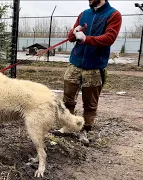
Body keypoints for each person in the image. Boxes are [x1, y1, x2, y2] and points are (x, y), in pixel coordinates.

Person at [52, 0, 122, 145]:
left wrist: (86, 39)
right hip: (75, 63)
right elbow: (71, 37)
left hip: (95, 67)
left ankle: (85, 130)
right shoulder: (84, 14)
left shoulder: (113, 15)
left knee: (90, 103)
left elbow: (110, 38)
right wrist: (73, 33)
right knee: (68, 98)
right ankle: (69, 126)